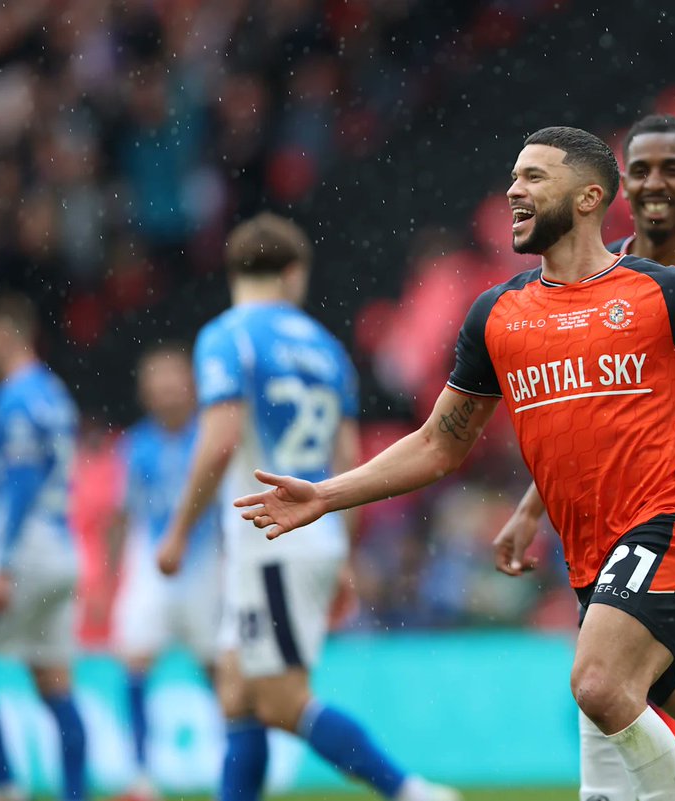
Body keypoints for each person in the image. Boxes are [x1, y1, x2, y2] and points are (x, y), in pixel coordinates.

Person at [235, 127, 675, 801]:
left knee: (597, 685)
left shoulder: (664, 292)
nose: (513, 189)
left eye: (533, 177)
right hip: (592, 554)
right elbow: (439, 442)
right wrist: (328, 494)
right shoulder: (496, 314)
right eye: (513, 177)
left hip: (670, 526)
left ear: (590, 196)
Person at [494, 114, 675, 801]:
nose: (656, 183)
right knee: (621, 693)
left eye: (672, 168)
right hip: (616, 524)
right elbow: (586, 412)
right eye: (643, 170)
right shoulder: (602, 279)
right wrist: (530, 508)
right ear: (618, 185)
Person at [154, 213, 459, 801]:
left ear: (234, 270)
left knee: (280, 700)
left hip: (269, 537)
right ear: (294, 274)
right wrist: (342, 551)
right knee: (237, 695)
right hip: (309, 532)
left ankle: (410, 791)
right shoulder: (325, 348)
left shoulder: (228, 336)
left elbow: (219, 441)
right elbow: (348, 460)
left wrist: (177, 531)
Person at [0, 292, 88, 801]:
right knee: (54, 681)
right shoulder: (54, 393)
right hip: (60, 549)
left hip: (23, 552)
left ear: (1, 334)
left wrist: (3, 564)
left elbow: (18, 484)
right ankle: (76, 796)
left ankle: (1, 788)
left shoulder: (14, 398)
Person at [108, 344, 222, 801]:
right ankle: (140, 776)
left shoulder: (213, 436)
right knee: (134, 660)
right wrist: (112, 575)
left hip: (205, 562)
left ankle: (228, 768)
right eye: (156, 383)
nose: (166, 391)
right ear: (145, 393)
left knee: (216, 667)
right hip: (152, 561)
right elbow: (123, 512)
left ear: (190, 386)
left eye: (172, 381)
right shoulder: (135, 445)